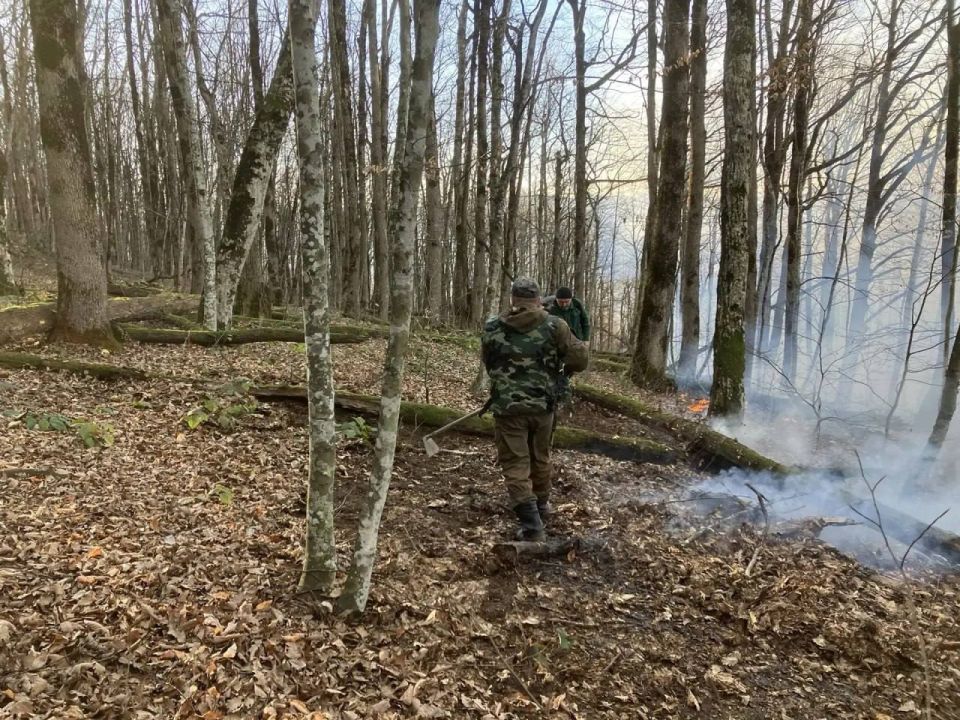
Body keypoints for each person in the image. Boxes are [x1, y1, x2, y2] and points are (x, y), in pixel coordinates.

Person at [481, 277, 589, 541]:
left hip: (509, 408)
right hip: (543, 406)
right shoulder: (555, 326)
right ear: (538, 299)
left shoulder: (493, 326)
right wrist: (560, 372)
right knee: (540, 456)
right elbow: (580, 359)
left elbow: (489, 361)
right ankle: (539, 508)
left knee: (516, 461)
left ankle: (532, 525)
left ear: (512, 299)